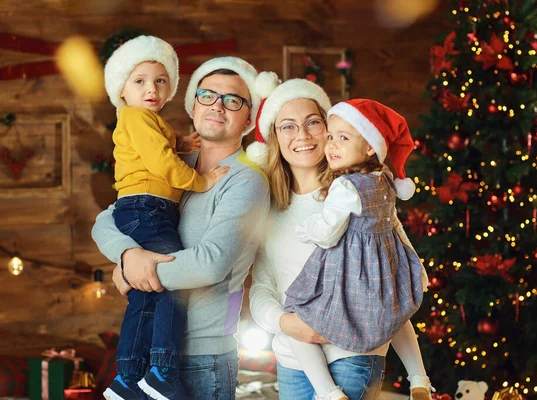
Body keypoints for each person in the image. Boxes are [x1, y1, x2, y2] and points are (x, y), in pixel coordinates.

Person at [92, 56, 270, 400]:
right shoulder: (173, 164)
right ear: (192, 104)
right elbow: (106, 219)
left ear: (248, 118)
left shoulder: (246, 179)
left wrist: (133, 273)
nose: (218, 105)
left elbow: (209, 263)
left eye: (232, 100)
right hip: (150, 350)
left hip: (203, 355)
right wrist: (127, 254)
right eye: (208, 95)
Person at [248, 74, 433, 400]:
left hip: (354, 355)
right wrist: (284, 323)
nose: (302, 135)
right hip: (292, 362)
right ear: (274, 137)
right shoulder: (268, 205)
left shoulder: (357, 195)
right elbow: (262, 286)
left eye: (313, 123)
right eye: (288, 126)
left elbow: (394, 265)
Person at [101, 35, 230, 400]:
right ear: (121, 91)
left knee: (145, 294)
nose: (152, 89)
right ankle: (161, 371)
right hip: (147, 207)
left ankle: (126, 378)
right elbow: (160, 162)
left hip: (140, 208)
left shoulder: (146, 120)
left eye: (160, 80)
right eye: (139, 81)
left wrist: (183, 143)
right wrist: (201, 181)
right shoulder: (136, 117)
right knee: (174, 281)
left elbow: (163, 142)